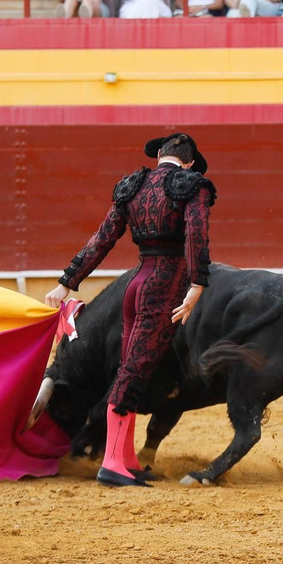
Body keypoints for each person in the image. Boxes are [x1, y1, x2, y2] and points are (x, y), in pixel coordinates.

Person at [43, 133, 217, 486]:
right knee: (134, 373)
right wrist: (198, 283)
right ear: (187, 162)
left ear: (161, 157)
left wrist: (66, 281)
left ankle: (125, 458)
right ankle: (112, 464)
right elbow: (196, 235)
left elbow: (102, 238)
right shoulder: (191, 185)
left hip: (134, 286)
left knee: (130, 369)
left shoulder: (133, 186)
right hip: (163, 289)